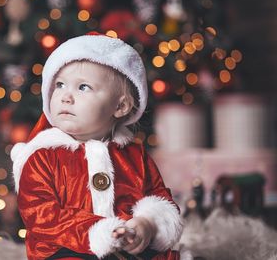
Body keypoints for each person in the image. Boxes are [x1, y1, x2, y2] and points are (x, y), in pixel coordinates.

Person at [11, 33, 183, 260]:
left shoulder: (133, 155)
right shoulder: (43, 157)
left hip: (128, 248)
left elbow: (159, 197)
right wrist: (101, 231)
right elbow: (41, 214)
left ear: (120, 106)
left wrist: (146, 223)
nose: (66, 97)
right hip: (65, 249)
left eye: (83, 87)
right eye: (60, 85)